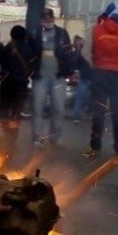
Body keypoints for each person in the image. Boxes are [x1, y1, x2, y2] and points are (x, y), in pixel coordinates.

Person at [83, 2, 118, 157]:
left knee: (99, 112)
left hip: (100, 74)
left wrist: (94, 65)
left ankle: (94, 147)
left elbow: (85, 52)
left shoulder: (94, 29)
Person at [30, 8, 75, 148]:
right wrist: (31, 72)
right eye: (45, 19)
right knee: (37, 108)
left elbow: (68, 53)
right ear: (41, 20)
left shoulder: (62, 33)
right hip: (40, 77)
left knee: (59, 108)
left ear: (53, 19)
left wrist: (70, 71)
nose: (47, 21)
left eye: (50, 18)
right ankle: (37, 138)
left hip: (58, 76)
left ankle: (56, 136)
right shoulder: (35, 34)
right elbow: (30, 55)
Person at [0, 25, 34, 124]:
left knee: (4, 109)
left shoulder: (6, 48)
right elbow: (31, 66)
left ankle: (5, 132)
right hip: (21, 83)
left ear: (11, 35)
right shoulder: (28, 50)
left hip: (6, 81)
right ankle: (13, 135)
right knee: (16, 110)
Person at [70, 35, 92, 124]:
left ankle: (76, 117)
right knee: (94, 97)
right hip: (95, 77)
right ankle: (91, 112)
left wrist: (76, 72)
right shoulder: (97, 50)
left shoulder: (81, 51)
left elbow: (76, 63)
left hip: (84, 76)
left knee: (79, 98)